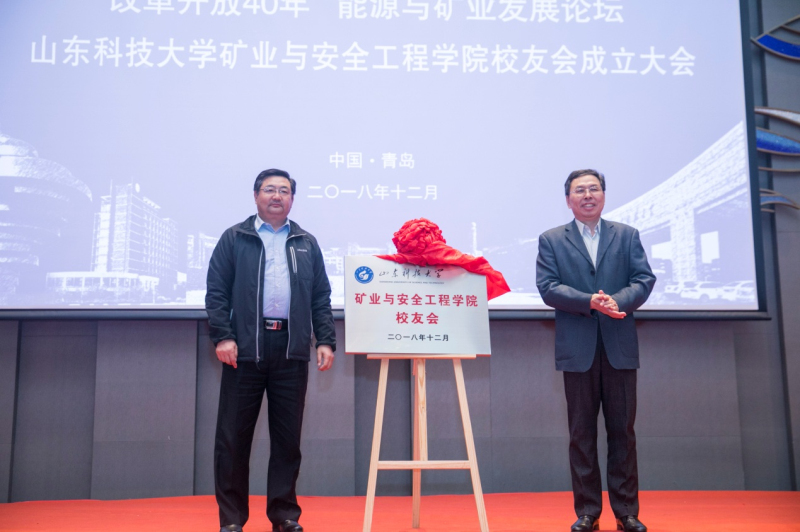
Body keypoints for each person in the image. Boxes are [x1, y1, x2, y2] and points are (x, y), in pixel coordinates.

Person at [206, 168, 336, 532]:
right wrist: (223, 336)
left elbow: (320, 297)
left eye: (284, 191)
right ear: (256, 196)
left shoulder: (305, 242)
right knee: (233, 439)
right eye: (269, 190)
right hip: (244, 349)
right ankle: (232, 521)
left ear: (292, 198)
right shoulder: (235, 238)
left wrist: (325, 340)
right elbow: (216, 292)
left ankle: (284, 516)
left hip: (291, 349)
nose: (276, 196)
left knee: (287, 440)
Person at [536, 169, 656, 532]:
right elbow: (548, 286)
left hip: (619, 346)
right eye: (579, 190)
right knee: (581, 434)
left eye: (593, 189)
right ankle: (587, 512)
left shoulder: (627, 235)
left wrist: (617, 301)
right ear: (568, 199)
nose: (587, 195)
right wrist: (589, 301)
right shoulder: (552, 239)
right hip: (577, 350)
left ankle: (626, 513)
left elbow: (644, 279)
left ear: (603, 195)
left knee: (623, 432)